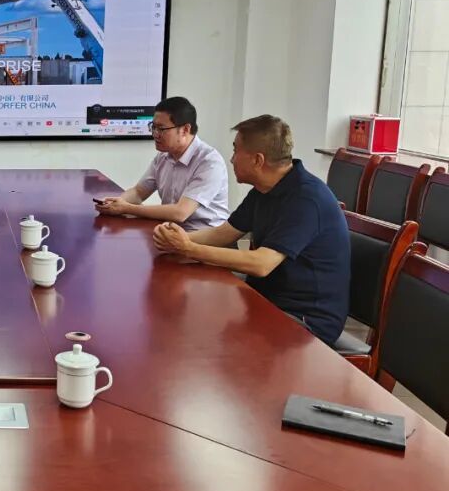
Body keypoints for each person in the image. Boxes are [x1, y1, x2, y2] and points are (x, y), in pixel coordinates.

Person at [152, 115, 350, 345]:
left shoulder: (306, 199)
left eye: (236, 151)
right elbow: (223, 234)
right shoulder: (263, 189)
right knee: (192, 316)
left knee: (201, 333)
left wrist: (188, 248)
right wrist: (174, 240)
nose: (231, 158)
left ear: (257, 160)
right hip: (267, 300)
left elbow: (261, 264)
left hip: (306, 320)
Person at [97, 96, 229, 230]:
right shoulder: (163, 156)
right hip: (170, 230)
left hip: (205, 236)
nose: (155, 134)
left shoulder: (209, 162)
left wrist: (126, 208)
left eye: (161, 129)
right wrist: (113, 203)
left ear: (185, 129)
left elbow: (180, 213)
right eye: (153, 127)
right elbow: (138, 192)